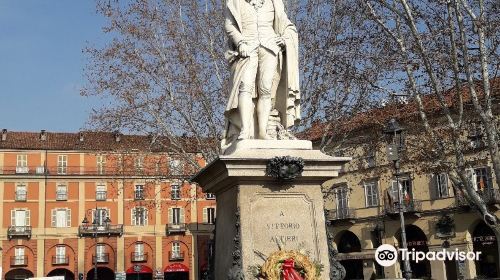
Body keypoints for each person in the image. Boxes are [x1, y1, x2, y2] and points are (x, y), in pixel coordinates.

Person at [221, 0, 301, 150]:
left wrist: (285, 39)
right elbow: (229, 25)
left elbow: (287, 26)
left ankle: (263, 132)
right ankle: (245, 130)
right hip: (247, 47)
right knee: (245, 86)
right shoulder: (235, 2)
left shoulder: (274, 2)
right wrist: (240, 42)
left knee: (266, 89)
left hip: (270, 47)